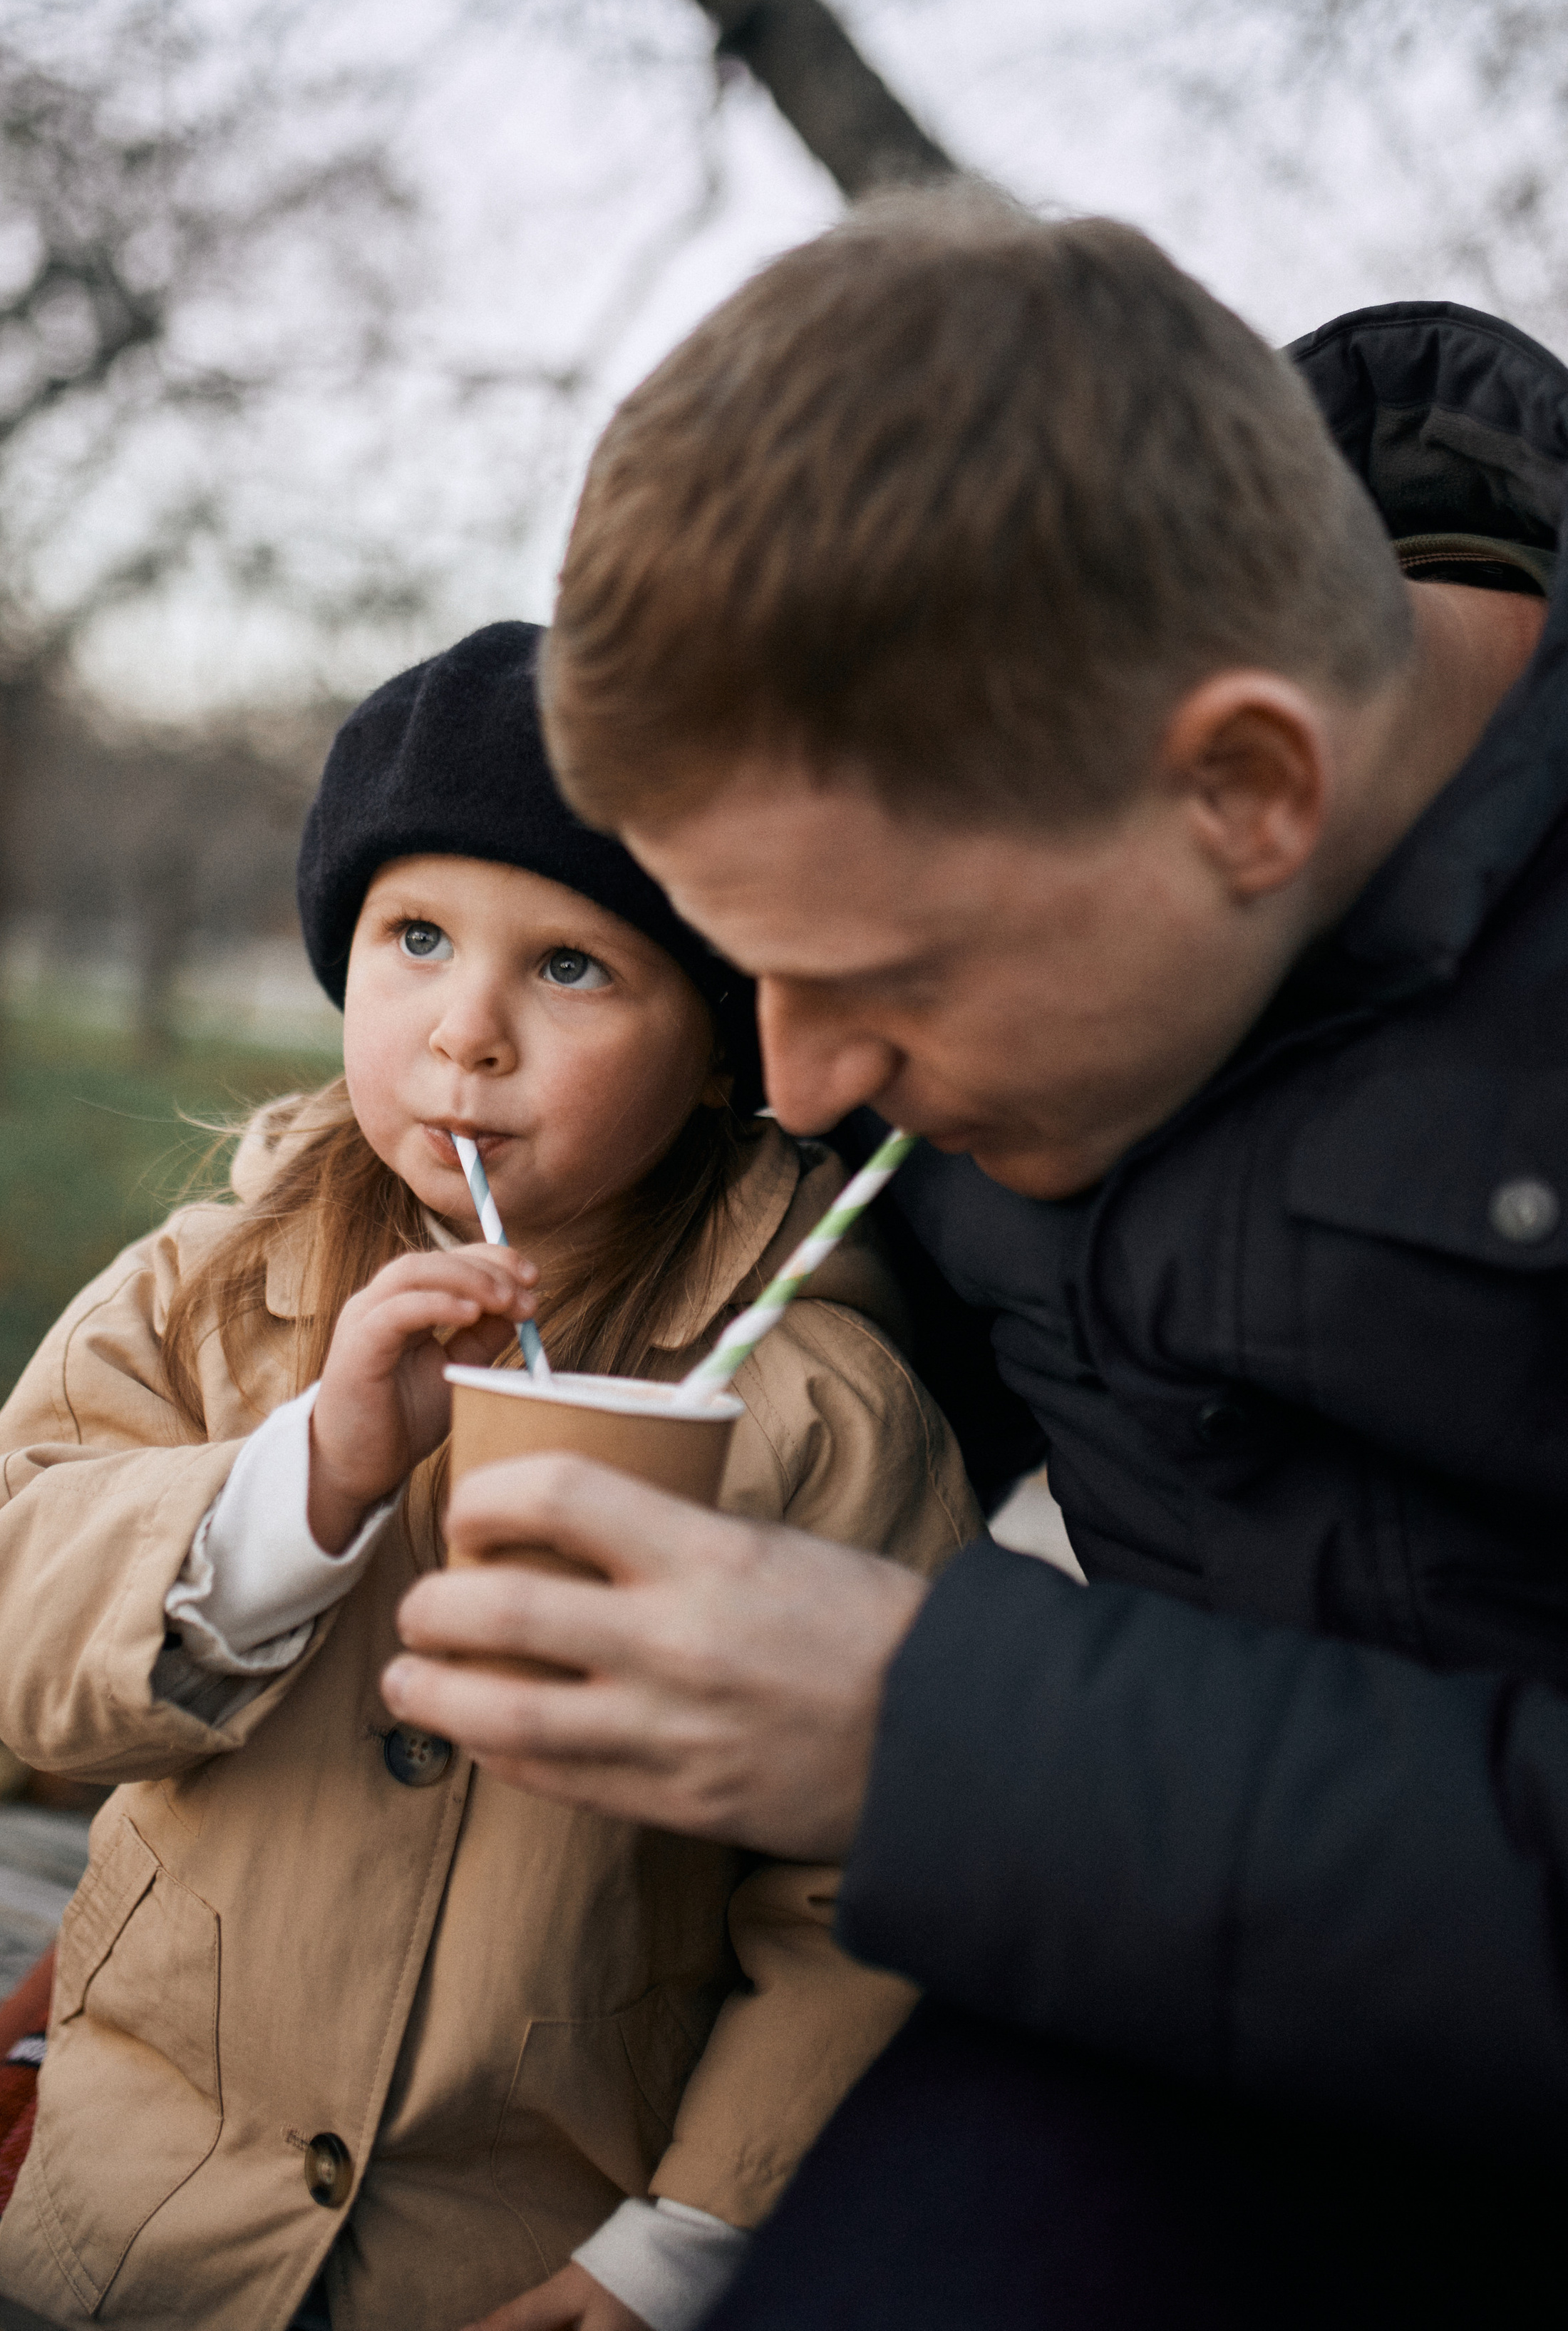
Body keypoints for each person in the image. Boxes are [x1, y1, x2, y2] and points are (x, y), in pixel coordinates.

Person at [379, 209, 1568, 2322]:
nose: (806, 1081)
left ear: (1247, 789)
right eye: (750, 967)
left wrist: (942, 1739)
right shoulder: (996, 908)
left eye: (877, 981)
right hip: (1130, 1992)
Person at [0, 622, 978, 2331]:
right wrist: (308, 1479)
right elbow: (15, 1632)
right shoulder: (208, 1289)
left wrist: (678, 2247)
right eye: (415, 938)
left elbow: (868, 1884)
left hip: (513, 2255)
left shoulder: (813, 1410)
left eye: (570, 968)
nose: (464, 1032)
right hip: (133, 2216)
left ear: (715, 1046)